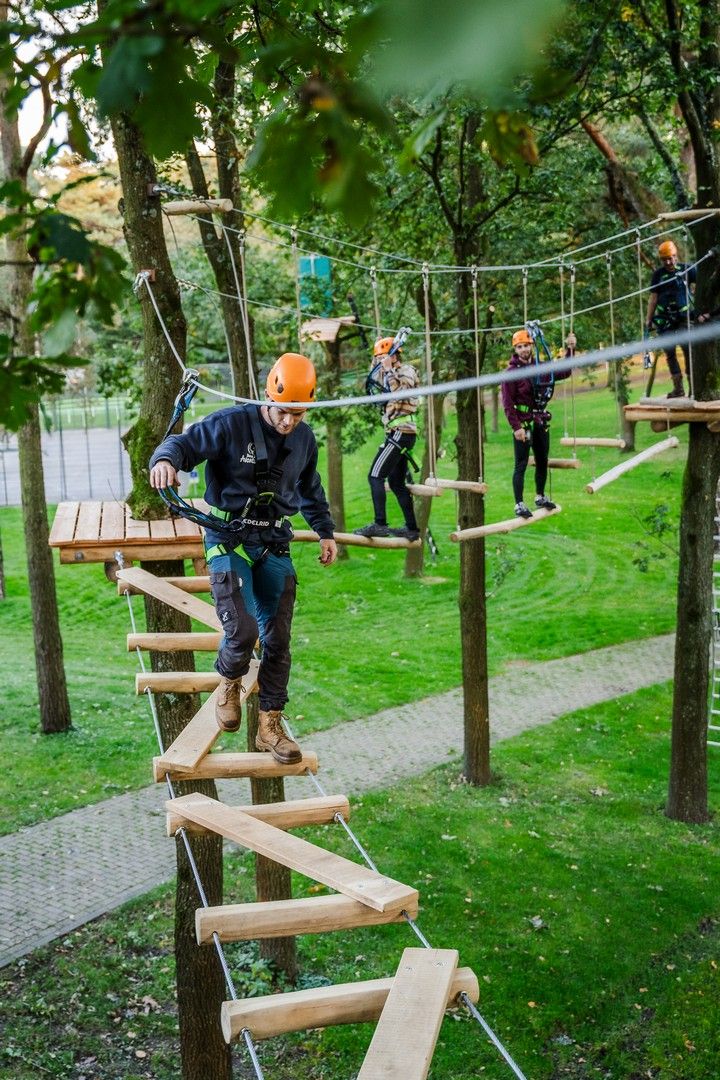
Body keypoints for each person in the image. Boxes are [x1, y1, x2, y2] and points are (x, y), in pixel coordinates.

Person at [149, 352, 337, 763]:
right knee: (243, 630)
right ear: (268, 395)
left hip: (272, 541)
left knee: (279, 638)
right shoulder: (232, 425)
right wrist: (165, 460)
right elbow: (183, 444)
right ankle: (229, 681)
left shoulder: (304, 440)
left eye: (298, 415)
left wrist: (325, 530)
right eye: (284, 412)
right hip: (227, 537)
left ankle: (270, 725)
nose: (289, 422)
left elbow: (310, 486)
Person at [502, 326, 576, 519]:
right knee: (521, 463)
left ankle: (540, 496)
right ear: (515, 350)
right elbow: (508, 404)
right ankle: (519, 503)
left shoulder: (541, 368)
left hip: (540, 422)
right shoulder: (511, 373)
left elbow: (565, 372)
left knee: (542, 460)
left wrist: (570, 350)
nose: (524, 350)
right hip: (523, 424)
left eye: (526, 346)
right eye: (520, 347)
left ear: (532, 346)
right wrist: (516, 427)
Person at [354, 335, 421, 541]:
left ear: (393, 356)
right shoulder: (386, 374)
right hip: (396, 433)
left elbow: (400, 393)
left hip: (402, 431)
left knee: (375, 476)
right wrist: (380, 367)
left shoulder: (406, 371)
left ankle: (380, 523)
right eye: (377, 359)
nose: (379, 362)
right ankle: (412, 529)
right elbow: (373, 381)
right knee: (396, 483)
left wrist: (390, 370)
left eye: (382, 357)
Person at [645, 239, 696, 398]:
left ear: (676, 255)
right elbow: (653, 298)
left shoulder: (687, 269)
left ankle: (693, 386)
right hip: (664, 320)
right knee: (670, 353)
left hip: (683, 317)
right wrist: (648, 320)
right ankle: (678, 388)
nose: (668, 262)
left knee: (687, 350)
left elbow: (700, 285)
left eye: (671, 257)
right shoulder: (658, 275)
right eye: (664, 259)